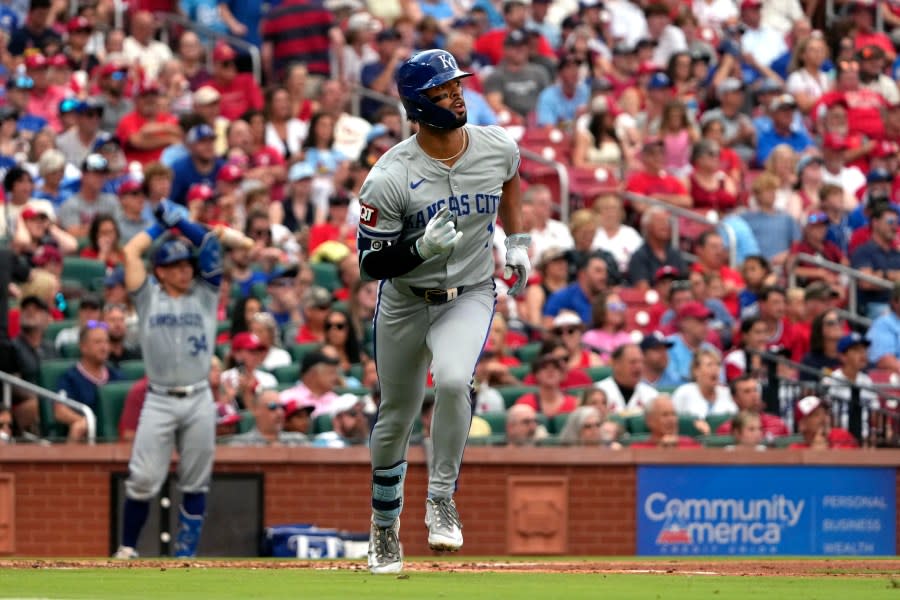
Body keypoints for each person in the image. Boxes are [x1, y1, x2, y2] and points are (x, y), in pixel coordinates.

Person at [357, 50, 529, 574]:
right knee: (397, 417)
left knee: (455, 381)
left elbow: (511, 176)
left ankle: (440, 497)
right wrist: (418, 250)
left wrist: (517, 241)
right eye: (442, 90)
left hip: (471, 291)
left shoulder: (496, 143)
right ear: (417, 105)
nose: (456, 95)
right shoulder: (389, 175)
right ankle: (384, 527)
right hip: (407, 300)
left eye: (456, 85)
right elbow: (370, 263)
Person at [113, 198, 224, 560]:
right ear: (159, 270)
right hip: (159, 397)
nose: (184, 271)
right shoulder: (148, 298)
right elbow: (131, 252)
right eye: (174, 266)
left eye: (185, 265)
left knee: (195, 480)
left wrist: (180, 222)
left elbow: (209, 246)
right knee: (143, 479)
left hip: (198, 398)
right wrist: (160, 226)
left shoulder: (206, 295)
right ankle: (127, 548)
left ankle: (185, 553)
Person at [671, 348, 737, 435]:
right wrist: (690, 424)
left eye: (718, 365)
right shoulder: (684, 392)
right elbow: (671, 420)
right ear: (696, 370)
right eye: (709, 365)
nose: (715, 369)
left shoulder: (727, 393)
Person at [227, 388, 309, 446]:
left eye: (282, 407)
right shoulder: (240, 444)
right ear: (256, 410)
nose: (279, 412)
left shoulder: (299, 441)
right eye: (272, 407)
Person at [594, 343, 659, 413]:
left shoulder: (651, 394)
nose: (638, 367)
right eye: (633, 362)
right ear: (616, 364)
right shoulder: (598, 391)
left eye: (641, 362)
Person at [629, 394, 702, 449]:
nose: (671, 420)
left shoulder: (691, 445)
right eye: (665, 415)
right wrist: (660, 449)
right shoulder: (637, 450)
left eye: (673, 414)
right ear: (649, 421)